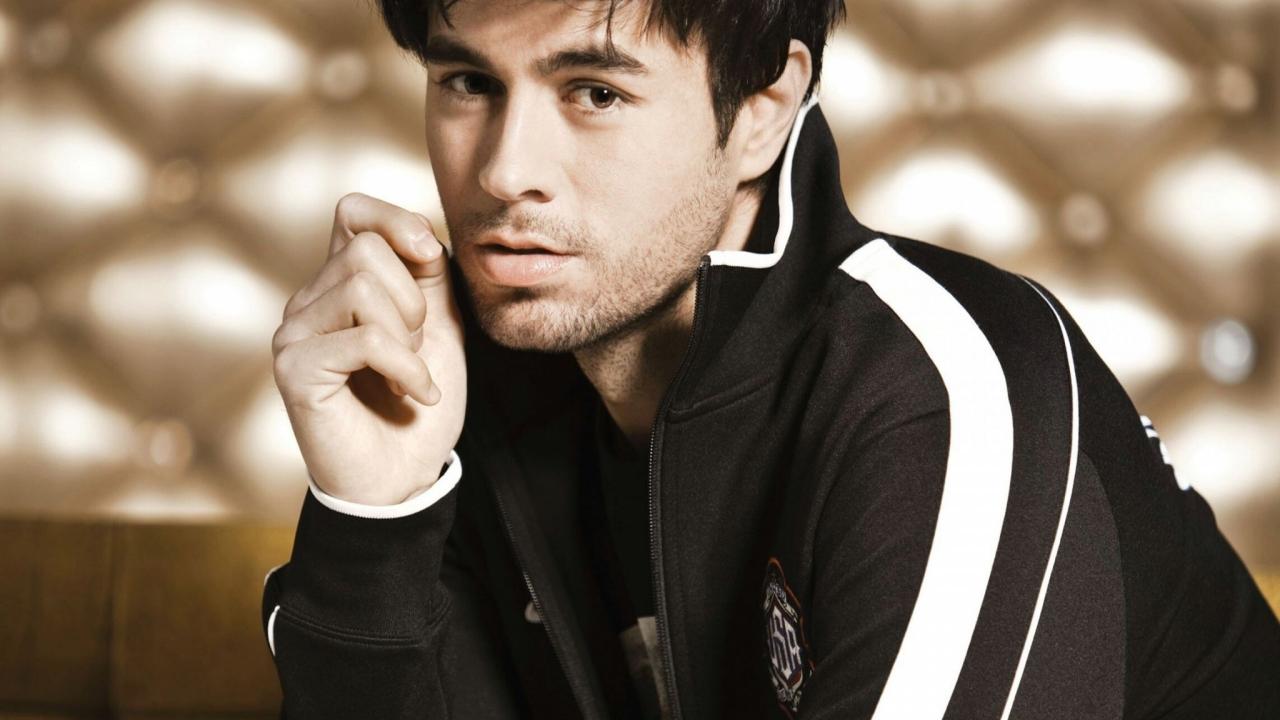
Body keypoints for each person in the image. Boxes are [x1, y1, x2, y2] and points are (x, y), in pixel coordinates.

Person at [261, 0, 1280, 717]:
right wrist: (375, 521)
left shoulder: (943, 392)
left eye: (594, 92)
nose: (502, 171)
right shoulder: (455, 395)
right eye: (467, 81)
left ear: (762, 108)